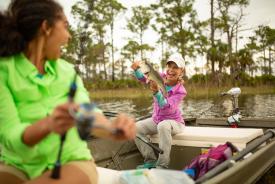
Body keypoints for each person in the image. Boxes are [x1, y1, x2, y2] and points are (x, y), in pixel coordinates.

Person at [0, 0, 136, 184]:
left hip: (71, 161)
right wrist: (47, 125)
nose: (69, 36)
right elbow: (10, 135)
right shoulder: (3, 71)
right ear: (46, 27)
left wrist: (111, 129)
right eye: (65, 26)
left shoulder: (67, 71)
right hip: (17, 164)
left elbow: (88, 113)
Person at [131, 53, 187, 169]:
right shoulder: (160, 76)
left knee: (163, 126)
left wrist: (157, 92)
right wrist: (136, 69)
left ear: (181, 71)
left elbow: (167, 107)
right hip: (157, 119)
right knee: (135, 128)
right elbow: (143, 77)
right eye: (169, 66)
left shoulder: (181, 91)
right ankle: (150, 160)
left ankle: (162, 165)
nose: (171, 70)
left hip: (174, 123)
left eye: (175, 67)